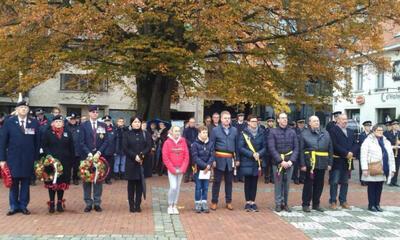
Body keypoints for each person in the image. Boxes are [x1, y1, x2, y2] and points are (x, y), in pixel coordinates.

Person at [0, 98, 40, 216]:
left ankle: (23, 206)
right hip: (13, 158)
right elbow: (2, 142)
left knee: (26, 183)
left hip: (28, 158)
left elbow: (37, 142)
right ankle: (13, 206)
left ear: (28, 110)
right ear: (16, 110)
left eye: (26, 108)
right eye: (21, 108)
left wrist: (36, 158)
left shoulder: (34, 123)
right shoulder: (9, 122)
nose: (24, 109)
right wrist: (2, 159)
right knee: (13, 183)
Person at [41, 115, 75, 213]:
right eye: (57, 122)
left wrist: (72, 161)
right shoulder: (48, 133)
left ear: (63, 123)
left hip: (65, 162)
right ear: (53, 123)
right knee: (52, 183)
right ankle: (51, 203)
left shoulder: (67, 133)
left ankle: (59, 203)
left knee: (61, 183)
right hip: (51, 163)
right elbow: (44, 146)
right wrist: (49, 157)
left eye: (60, 122)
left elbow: (71, 147)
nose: (59, 123)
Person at [79, 105, 109, 213]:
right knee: (87, 179)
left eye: (96, 112)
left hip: (99, 157)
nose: (95, 114)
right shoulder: (83, 125)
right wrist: (89, 153)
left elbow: (106, 141)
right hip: (87, 157)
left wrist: (99, 152)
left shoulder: (103, 125)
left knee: (98, 179)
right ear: (89, 113)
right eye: (93, 112)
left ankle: (97, 203)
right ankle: (88, 203)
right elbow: (81, 142)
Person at [300, 116, 333, 212]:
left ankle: (316, 203)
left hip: (322, 162)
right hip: (309, 162)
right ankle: (305, 204)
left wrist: (330, 162)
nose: (317, 123)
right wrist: (302, 164)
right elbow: (301, 150)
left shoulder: (326, 133)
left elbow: (330, 148)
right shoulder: (304, 134)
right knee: (308, 184)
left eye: (318, 121)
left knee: (319, 184)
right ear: (309, 123)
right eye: (314, 121)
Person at [268, 112, 299, 212]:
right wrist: (280, 161)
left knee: (287, 184)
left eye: (286, 118)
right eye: (282, 118)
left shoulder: (292, 132)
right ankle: (278, 203)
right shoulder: (273, 132)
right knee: (278, 183)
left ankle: (285, 203)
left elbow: (296, 148)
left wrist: (291, 161)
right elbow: (271, 148)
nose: (285, 120)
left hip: (290, 162)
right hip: (277, 163)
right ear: (278, 120)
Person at [360, 124, 395, 212]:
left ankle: (377, 204)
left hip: (383, 167)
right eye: (378, 130)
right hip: (372, 167)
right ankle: (371, 204)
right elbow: (363, 155)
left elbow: (390, 156)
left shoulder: (386, 141)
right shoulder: (368, 141)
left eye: (381, 130)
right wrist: (364, 168)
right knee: (372, 186)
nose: (380, 132)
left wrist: (392, 169)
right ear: (374, 131)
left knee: (379, 186)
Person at [328, 114, 359, 210]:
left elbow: (356, 144)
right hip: (337, 160)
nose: (345, 121)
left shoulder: (351, 131)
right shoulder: (333, 131)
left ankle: (343, 201)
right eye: (343, 119)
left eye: (346, 119)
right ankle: (333, 201)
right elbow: (334, 145)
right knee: (334, 181)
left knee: (345, 182)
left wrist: (352, 152)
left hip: (347, 161)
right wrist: (346, 153)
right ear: (338, 120)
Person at [210, 111, 239, 211]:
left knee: (229, 182)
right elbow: (211, 146)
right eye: (225, 118)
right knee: (217, 181)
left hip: (230, 159)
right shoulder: (215, 130)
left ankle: (228, 202)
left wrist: (237, 159)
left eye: (229, 118)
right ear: (221, 119)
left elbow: (237, 146)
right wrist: (212, 159)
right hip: (218, 158)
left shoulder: (234, 130)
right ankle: (214, 201)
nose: (227, 120)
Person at [123, 116, 152, 213]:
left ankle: (138, 205)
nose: (137, 124)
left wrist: (141, 155)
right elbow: (125, 148)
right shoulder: (126, 134)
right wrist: (134, 156)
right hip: (131, 162)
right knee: (131, 185)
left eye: (138, 122)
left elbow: (149, 146)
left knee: (140, 185)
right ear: (131, 123)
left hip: (142, 162)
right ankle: (131, 205)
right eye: (135, 122)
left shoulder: (145, 134)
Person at [239, 115, 266, 212]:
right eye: (253, 121)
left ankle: (253, 202)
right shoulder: (244, 133)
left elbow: (265, 147)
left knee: (255, 182)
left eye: (256, 121)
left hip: (257, 161)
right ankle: (247, 202)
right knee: (247, 182)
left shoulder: (262, 133)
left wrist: (259, 153)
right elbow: (241, 147)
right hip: (247, 160)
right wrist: (251, 154)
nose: (255, 123)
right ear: (248, 122)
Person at [162, 126, 190, 215]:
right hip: (172, 169)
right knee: (173, 187)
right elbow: (165, 157)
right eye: (175, 131)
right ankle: (170, 205)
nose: (177, 133)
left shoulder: (183, 141)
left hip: (181, 169)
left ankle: (174, 205)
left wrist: (182, 168)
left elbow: (186, 156)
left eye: (178, 131)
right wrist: (172, 169)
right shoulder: (167, 143)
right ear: (171, 132)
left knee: (177, 188)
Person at [191, 125, 213, 213]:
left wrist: (209, 165)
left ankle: (204, 202)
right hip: (199, 169)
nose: (205, 134)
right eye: (203, 132)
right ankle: (197, 203)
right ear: (199, 134)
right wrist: (205, 166)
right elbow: (195, 157)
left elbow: (212, 155)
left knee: (206, 187)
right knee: (198, 187)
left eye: (206, 132)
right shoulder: (194, 144)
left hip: (207, 169)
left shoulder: (210, 143)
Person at [65, 113, 81, 185]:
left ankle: (75, 178)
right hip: (68, 150)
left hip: (77, 150)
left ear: (76, 120)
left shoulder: (80, 127)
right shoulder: (65, 127)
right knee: (68, 166)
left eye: (74, 119)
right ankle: (67, 179)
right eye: (71, 119)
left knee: (76, 167)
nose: (73, 121)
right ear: (69, 120)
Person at [384, 120, 400, 187]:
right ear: (392, 126)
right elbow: (385, 143)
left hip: (398, 153)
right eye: (394, 125)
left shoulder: (399, 133)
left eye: (397, 125)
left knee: (396, 167)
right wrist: (393, 146)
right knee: (389, 167)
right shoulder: (387, 133)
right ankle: (389, 180)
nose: (396, 126)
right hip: (390, 153)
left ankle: (394, 181)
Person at [183, 117, 198, 183]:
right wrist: (190, 144)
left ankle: (193, 177)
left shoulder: (196, 130)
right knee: (187, 163)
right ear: (189, 123)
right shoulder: (185, 130)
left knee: (193, 163)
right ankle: (186, 177)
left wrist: (194, 144)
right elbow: (184, 138)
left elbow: (198, 138)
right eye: (191, 122)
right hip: (187, 148)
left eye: (193, 122)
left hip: (195, 149)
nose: (192, 123)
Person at [102, 115, 116, 185]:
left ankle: (108, 179)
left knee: (110, 166)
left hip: (111, 151)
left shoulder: (113, 129)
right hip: (102, 151)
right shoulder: (100, 129)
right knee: (102, 165)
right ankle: (101, 178)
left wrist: (115, 150)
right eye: (105, 121)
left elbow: (116, 140)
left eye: (108, 121)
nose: (107, 122)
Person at [359, 121, 372, 186]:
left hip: (370, 153)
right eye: (367, 126)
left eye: (369, 126)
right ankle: (363, 180)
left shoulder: (372, 134)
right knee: (362, 167)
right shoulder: (361, 135)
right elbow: (360, 144)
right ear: (364, 127)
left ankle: (368, 180)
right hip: (363, 153)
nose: (368, 127)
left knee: (369, 166)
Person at [293, 119, 306, 185]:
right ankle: (296, 178)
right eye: (300, 123)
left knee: (303, 164)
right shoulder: (294, 130)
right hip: (297, 150)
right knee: (296, 166)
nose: (301, 124)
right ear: (297, 123)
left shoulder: (306, 130)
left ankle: (302, 178)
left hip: (304, 150)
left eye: (302, 123)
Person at [263, 116, 275, 184]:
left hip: (273, 151)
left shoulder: (275, 130)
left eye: (272, 122)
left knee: (273, 165)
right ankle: (267, 178)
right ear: (267, 123)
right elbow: (264, 141)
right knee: (267, 165)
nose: (270, 123)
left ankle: (272, 178)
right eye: (269, 122)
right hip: (267, 151)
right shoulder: (265, 131)